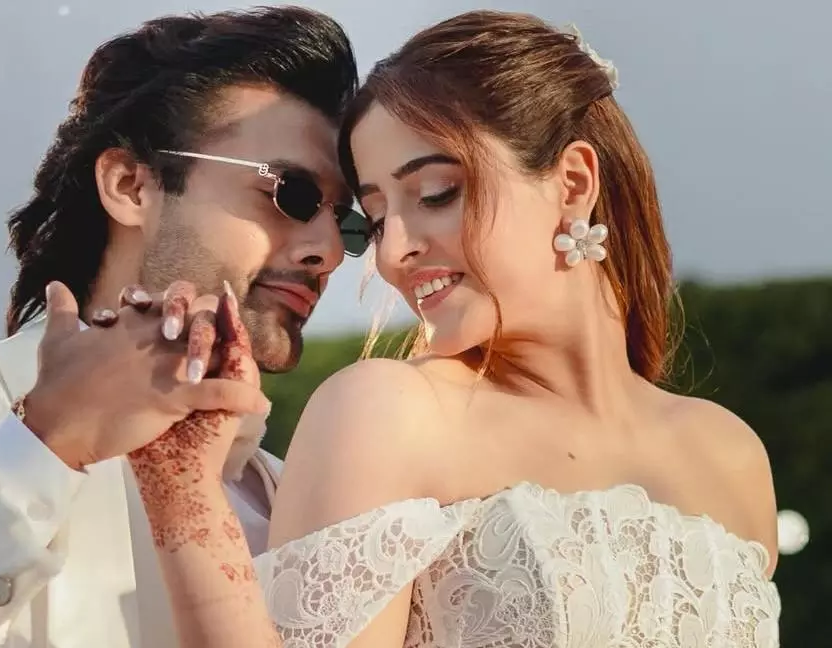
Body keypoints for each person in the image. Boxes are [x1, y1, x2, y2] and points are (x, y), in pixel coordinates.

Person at [120, 10, 783, 648]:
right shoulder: (387, 412)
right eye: (376, 220)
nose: (392, 252)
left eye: (436, 194)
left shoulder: (730, 455)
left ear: (574, 183)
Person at [0, 6, 364, 648]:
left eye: (347, 221)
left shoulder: (282, 492)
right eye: (292, 194)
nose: (328, 250)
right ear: (131, 185)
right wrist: (45, 446)